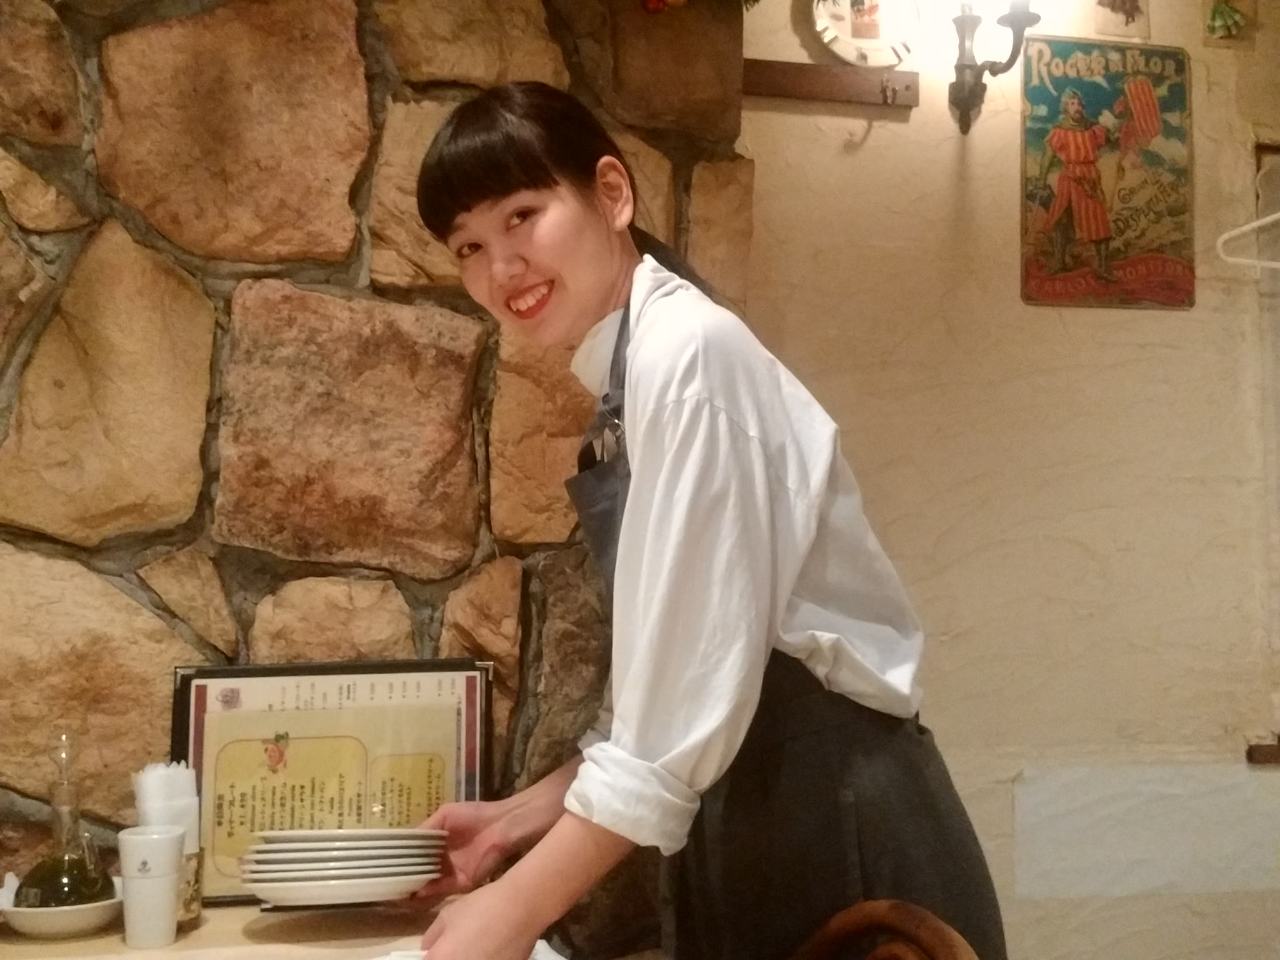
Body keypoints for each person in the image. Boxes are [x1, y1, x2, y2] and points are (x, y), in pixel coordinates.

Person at [413, 81, 1007, 960]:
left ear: (611, 194)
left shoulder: (688, 356)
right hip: (766, 811)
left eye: (522, 216)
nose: (501, 269)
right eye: (469, 245)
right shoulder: (635, 379)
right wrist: (512, 821)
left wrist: (512, 911)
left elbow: (679, 721)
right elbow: (664, 697)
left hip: (836, 829)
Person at [1033, 87, 1117, 281]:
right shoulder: (1059, 131)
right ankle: (1059, 262)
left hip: (1089, 181)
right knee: (1061, 219)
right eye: (1072, 104)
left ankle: (1103, 267)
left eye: (1079, 104)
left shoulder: (1093, 129)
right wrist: (1041, 181)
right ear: (1065, 108)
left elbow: (1112, 142)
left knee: (1099, 223)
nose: (1077, 107)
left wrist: (1114, 128)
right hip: (1069, 179)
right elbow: (1047, 157)